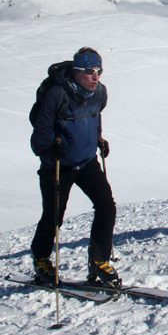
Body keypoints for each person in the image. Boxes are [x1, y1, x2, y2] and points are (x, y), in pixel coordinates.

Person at [29, 47, 120, 285]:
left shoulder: (99, 93)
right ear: (76, 72)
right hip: (58, 165)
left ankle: (98, 261)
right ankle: (41, 259)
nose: (95, 77)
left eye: (99, 71)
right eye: (89, 72)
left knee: (106, 207)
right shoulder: (57, 95)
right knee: (54, 216)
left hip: (87, 160)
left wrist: (98, 139)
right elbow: (40, 134)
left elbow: (94, 117)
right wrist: (49, 149)